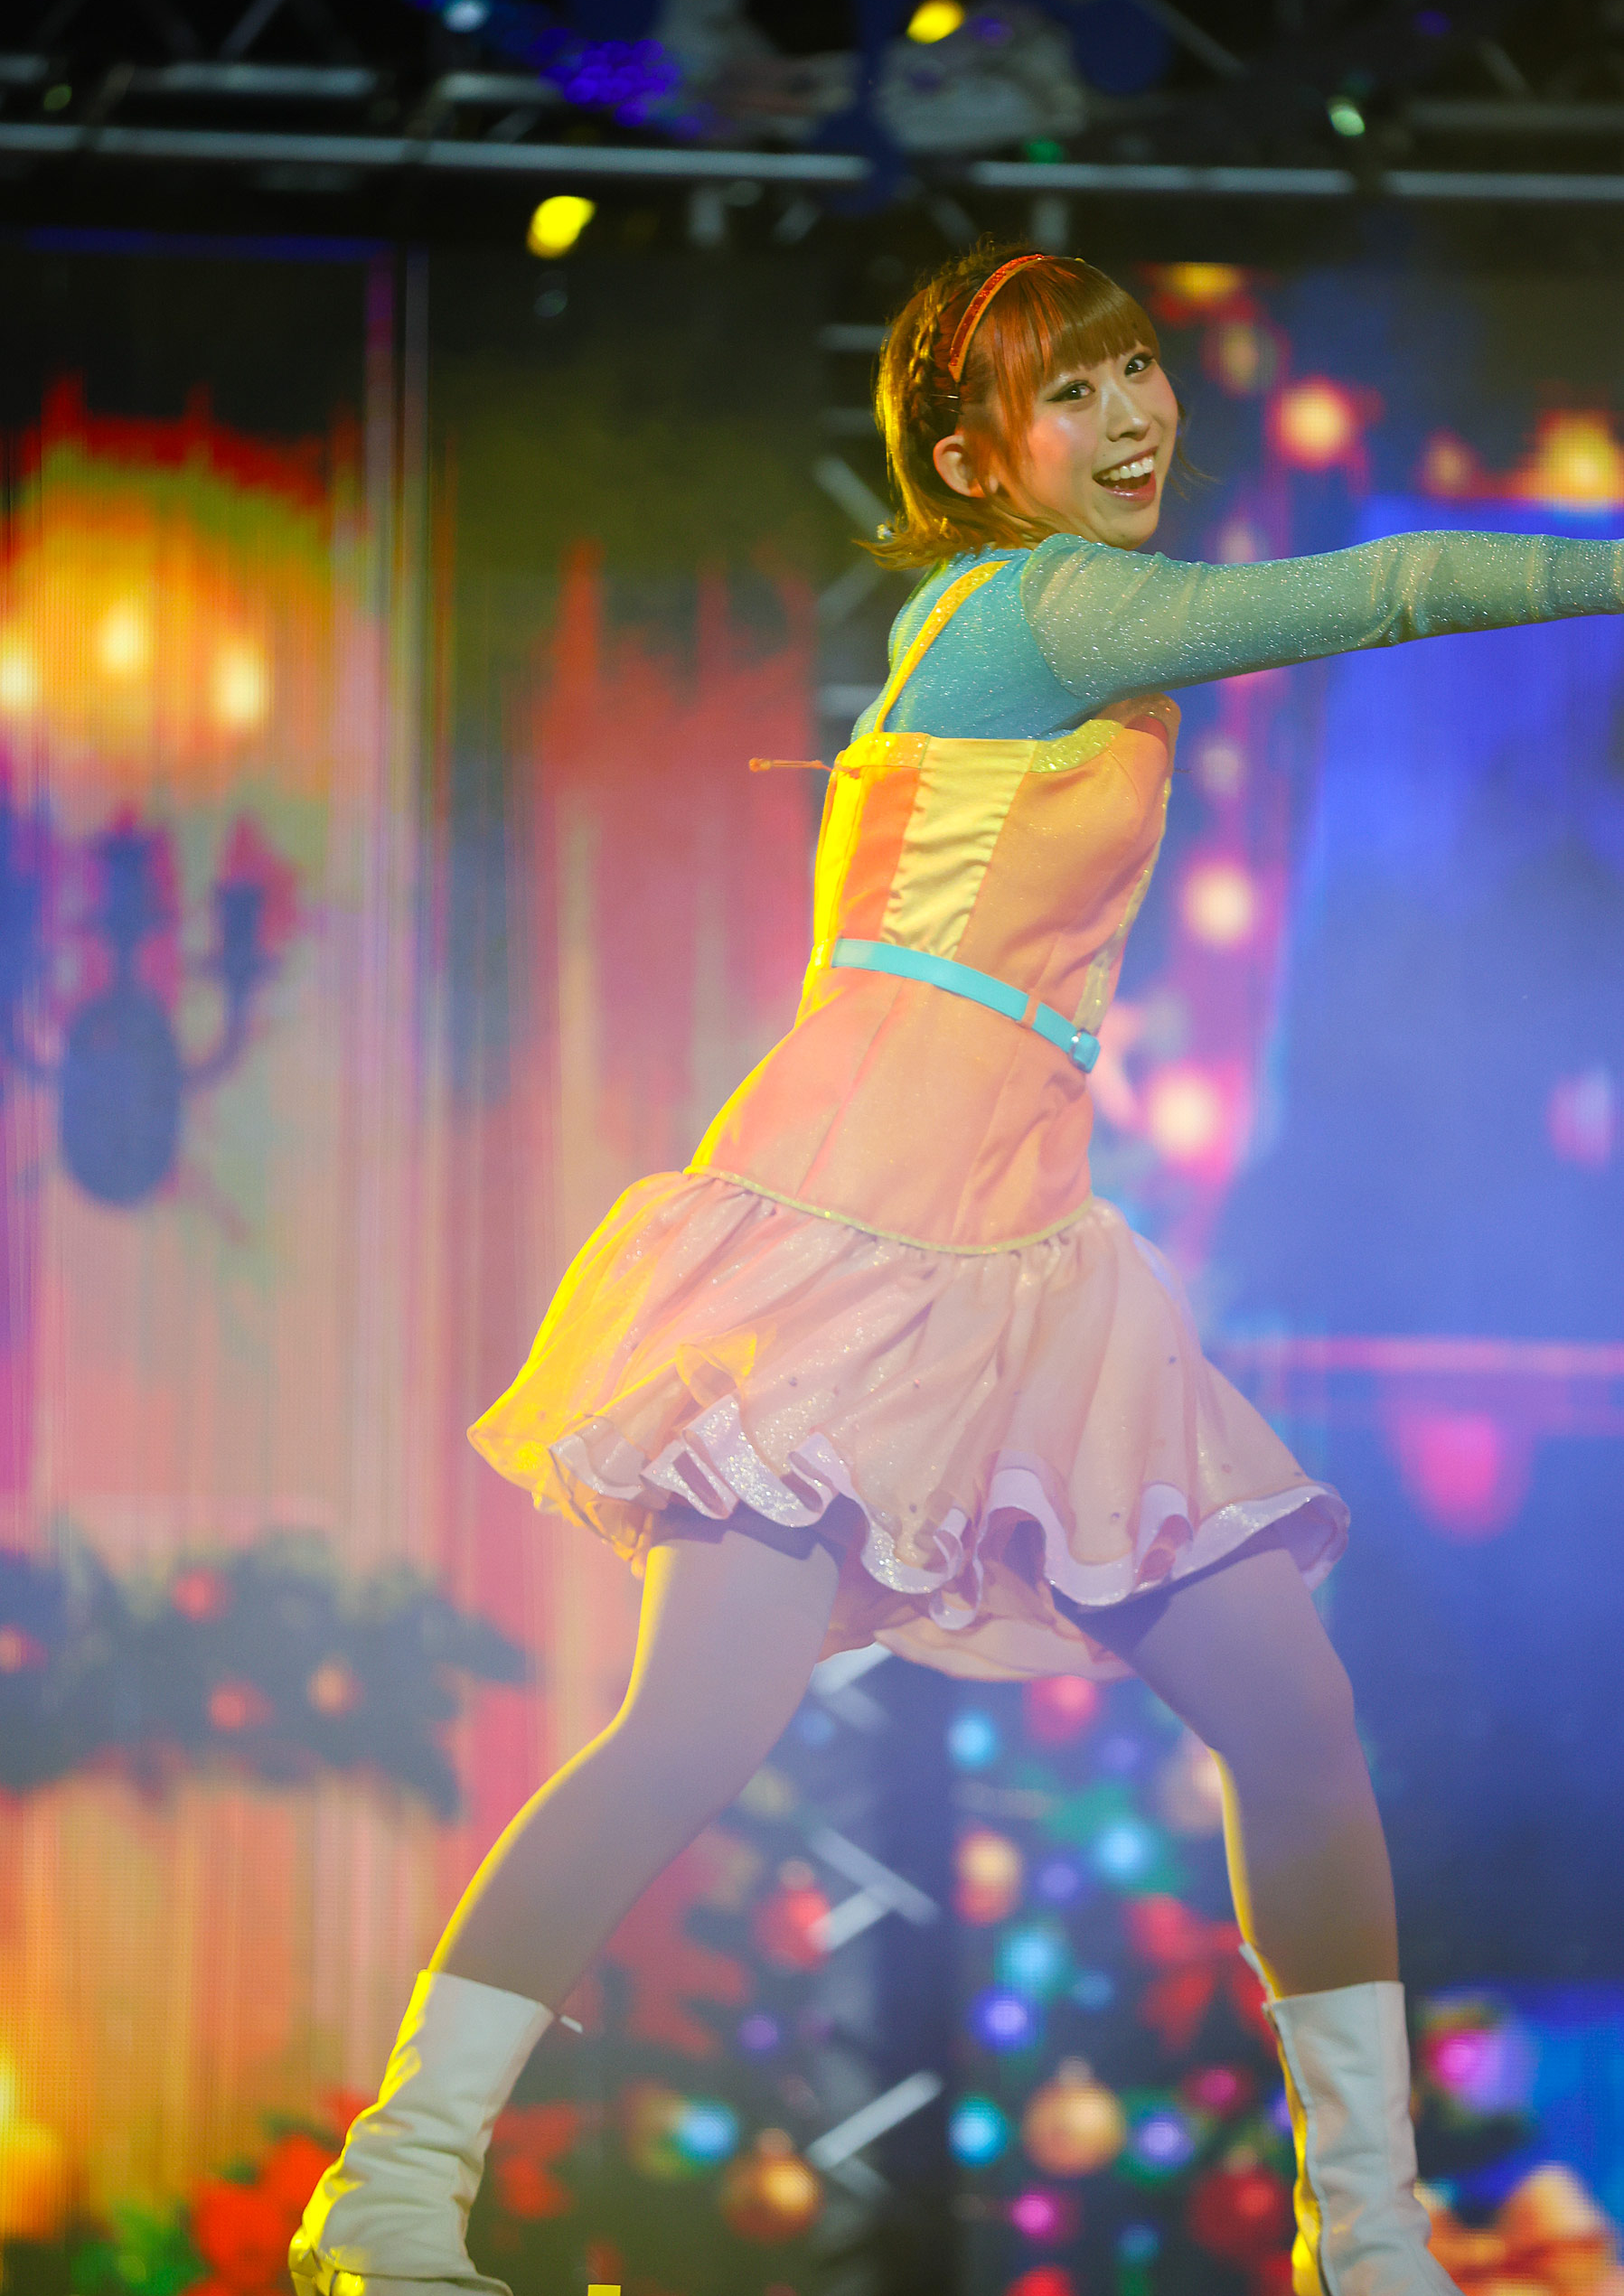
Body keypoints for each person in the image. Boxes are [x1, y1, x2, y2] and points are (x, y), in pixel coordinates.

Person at [292, 245, 1624, 2296]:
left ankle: (1366, 2242)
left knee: (1289, 1710)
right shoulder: (1044, 606)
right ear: (976, 457)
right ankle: (391, 2188)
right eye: (1067, 392)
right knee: (695, 1723)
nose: (1131, 415)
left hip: (1021, 1246)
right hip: (861, 1227)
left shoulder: (1026, 620)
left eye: (1134, 369)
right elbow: (1385, 589)